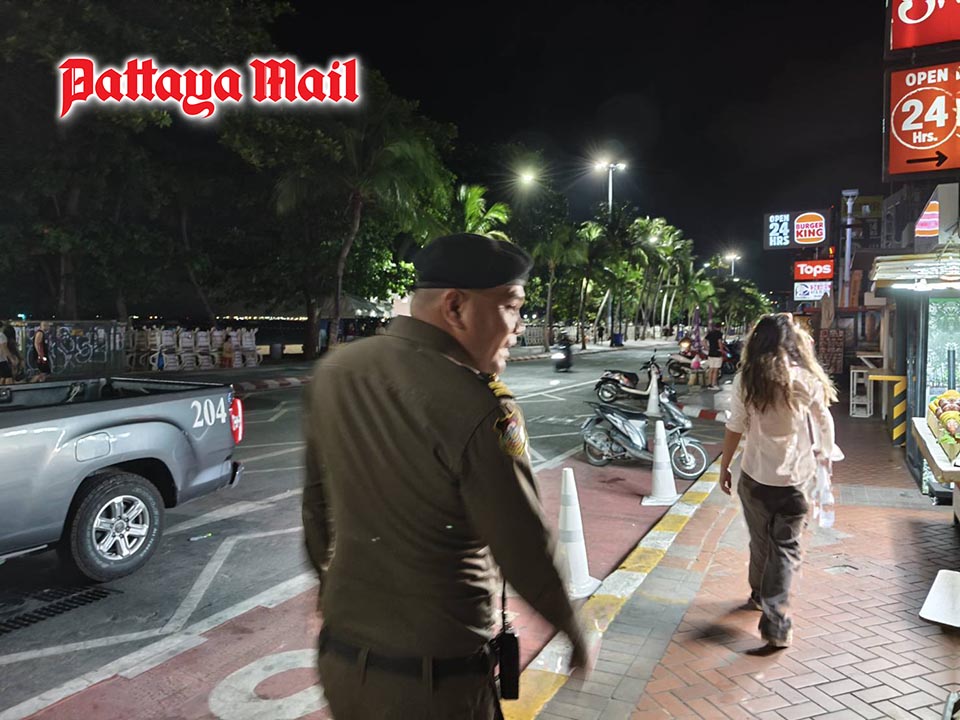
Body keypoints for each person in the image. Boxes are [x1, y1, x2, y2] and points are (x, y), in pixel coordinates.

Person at [302, 233, 587, 719]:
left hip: (341, 660)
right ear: (455, 307)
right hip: (436, 682)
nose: (518, 326)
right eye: (511, 306)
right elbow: (523, 544)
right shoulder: (482, 407)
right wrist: (574, 628)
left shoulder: (336, 370)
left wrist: (337, 594)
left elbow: (315, 507)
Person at [717, 313, 837, 649]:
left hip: (755, 477)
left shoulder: (747, 380)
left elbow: (735, 426)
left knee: (761, 542)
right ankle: (776, 623)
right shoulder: (805, 378)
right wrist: (824, 461)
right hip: (796, 480)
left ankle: (758, 594)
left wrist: (724, 467)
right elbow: (825, 423)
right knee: (785, 548)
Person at [704, 322, 724, 389]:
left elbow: (704, 341)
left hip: (711, 353)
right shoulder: (719, 334)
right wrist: (722, 350)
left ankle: (709, 384)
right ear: (720, 327)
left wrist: (707, 348)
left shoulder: (710, 333)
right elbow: (719, 342)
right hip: (717, 353)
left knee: (711, 369)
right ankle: (714, 384)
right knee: (716, 370)